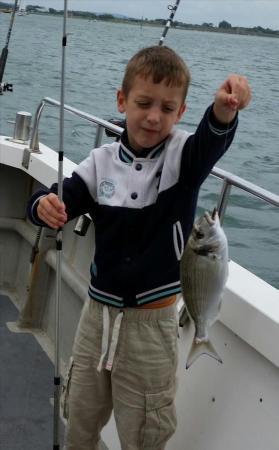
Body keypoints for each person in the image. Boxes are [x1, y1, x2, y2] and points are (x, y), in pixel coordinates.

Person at [27, 45, 251, 450]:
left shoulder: (184, 158)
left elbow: (211, 142)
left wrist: (224, 111)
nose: (153, 117)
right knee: (79, 415)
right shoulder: (100, 162)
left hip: (154, 326)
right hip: (95, 320)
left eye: (167, 108)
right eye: (143, 103)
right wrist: (43, 204)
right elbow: (65, 197)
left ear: (181, 112)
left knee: (145, 433)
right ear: (122, 101)